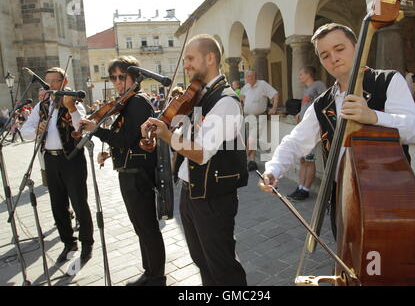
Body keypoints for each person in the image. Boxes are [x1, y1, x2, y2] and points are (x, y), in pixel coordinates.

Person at [259, 23, 415, 238]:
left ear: (356, 47)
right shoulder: (322, 104)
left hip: (388, 197)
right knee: (347, 263)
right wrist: (273, 169)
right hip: (342, 199)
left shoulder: (389, 81)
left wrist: (374, 117)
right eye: (325, 55)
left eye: (340, 49)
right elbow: (295, 141)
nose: (333, 58)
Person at [141, 34, 248, 286]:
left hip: (213, 197)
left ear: (210, 58)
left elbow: (200, 152)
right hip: (191, 195)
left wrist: (166, 135)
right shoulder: (199, 97)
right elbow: (186, 139)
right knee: (202, 261)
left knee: (222, 268)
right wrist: (162, 131)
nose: (186, 65)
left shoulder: (225, 101)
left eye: (190, 58)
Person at [80, 56, 166, 286]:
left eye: (122, 77)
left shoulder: (138, 102)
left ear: (134, 77)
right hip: (129, 172)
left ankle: (156, 276)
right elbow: (127, 137)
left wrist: (95, 130)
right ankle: (150, 272)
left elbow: (127, 139)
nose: (117, 82)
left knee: (147, 227)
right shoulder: (126, 104)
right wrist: (109, 151)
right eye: (113, 78)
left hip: (139, 175)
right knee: (140, 227)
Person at [21, 67, 94, 264]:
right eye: (48, 81)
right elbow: (25, 131)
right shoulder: (42, 105)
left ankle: (87, 243)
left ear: (64, 82)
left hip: (71, 159)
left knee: (79, 203)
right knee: (57, 204)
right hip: (50, 160)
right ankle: (68, 243)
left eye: (55, 81)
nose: (50, 85)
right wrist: (36, 129)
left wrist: (70, 108)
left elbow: (81, 127)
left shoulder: (74, 101)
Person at [288, 66, 327, 201]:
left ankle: (305, 190)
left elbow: (326, 104)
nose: (299, 77)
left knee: (309, 161)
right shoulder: (307, 89)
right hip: (304, 130)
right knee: (302, 159)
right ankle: (300, 187)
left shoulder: (319, 85)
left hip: (312, 130)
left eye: (301, 74)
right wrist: (300, 113)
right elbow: (310, 106)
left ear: (308, 74)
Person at [240, 69, 279, 171]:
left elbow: (275, 94)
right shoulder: (246, 86)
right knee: (250, 139)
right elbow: (241, 96)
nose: (250, 78)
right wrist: (245, 104)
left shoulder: (262, 84)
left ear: (255, 76)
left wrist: (274, 108)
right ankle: (252, 161)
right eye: (248, 76)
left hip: (258, 116)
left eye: (252, 76)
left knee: (251, 140)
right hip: (248, 116)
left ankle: (240, 162)